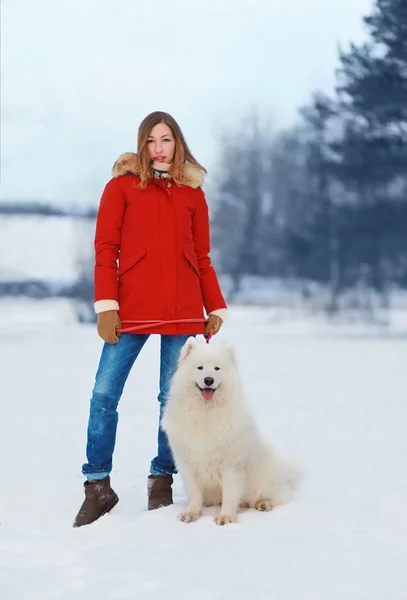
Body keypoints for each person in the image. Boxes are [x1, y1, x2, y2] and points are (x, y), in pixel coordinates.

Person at [73, 111, 227, 527]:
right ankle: (98, 486)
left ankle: (162, 479)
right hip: (132, 310)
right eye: (151, 140)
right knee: (104, 395)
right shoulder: (121, 187)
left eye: (167, 139)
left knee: (172, 400)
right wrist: (107, 305)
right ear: (142, 145)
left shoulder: (192, 194)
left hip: (182, 310)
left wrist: (213, 306)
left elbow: (201, 256)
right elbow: (106, 249)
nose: (159, 148)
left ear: (177, 143)